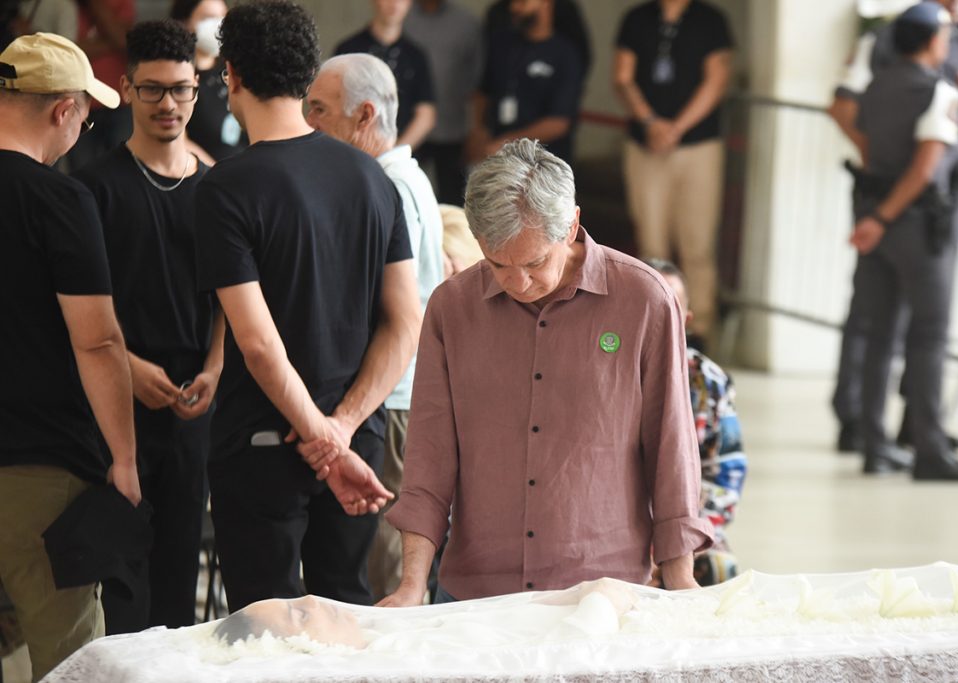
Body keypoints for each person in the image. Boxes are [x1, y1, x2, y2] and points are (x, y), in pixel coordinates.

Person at [379, 139, 713, 607]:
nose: (517, 283)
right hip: (476, 594)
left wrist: (680, 578)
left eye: (535, 262)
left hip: (600, 591)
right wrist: (412, 586)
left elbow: (671, 446)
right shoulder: (451, 308)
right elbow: (428, 457)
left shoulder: (644, 300)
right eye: (498, 265)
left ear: (571, 226)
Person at [194, 0, 421, 612]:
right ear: (304, 76)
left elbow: (258, 343)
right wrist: (341, 430)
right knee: (344, 613)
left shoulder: (225, 188)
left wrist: (321, 434)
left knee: (265, 626)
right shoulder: (373, 179)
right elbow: (406, 322)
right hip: (358, 440)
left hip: (264, 443)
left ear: (231, 75)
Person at [72, 19, 223, 634]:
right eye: (153, 89)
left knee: (180, 577)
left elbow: (232, 299)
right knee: (122, 585)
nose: (168, 103)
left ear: (197, 91)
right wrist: (126, 367)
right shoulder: (92, 189)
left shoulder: (216, 190)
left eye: (180, 89)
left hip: (194, 402)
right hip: (116, 401)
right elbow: (77, 308)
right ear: (127, 89)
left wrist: (216, 367)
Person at [0, 32, 141, 680]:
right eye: (86, 118)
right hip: (41, 468)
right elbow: (98, 340)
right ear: (63, 110)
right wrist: (125, 458)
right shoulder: (58, 199)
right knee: (71, 661)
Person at [828, 0, 958, 455]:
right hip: (910, 209)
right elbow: (922, 165)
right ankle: (919, 439)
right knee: (921, 328)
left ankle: (883, 435)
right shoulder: (905, 60)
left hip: (900, 203)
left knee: (883, 326)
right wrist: (887, 186)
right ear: (931, 40)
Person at [306, 53, 445, 601]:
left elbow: (389, 311)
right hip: (389, 395)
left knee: (385, 572)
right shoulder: (395, 179)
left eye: (320, 109)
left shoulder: (389, 187)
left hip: (390, 397)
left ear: (364, 115)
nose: (308, 122)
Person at [613, 0, 733, 352]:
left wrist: (676, 128)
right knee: (651, 245)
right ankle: (651, 331)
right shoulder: (636, 18)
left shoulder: (711, 20)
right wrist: (651, 123)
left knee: (698, 245)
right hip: (645, 146)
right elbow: (622, 78)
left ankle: (700, 335)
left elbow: (717, 80)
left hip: (698, 146)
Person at [645, 259, 746, 587]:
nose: (657, 321)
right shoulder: (601, 370)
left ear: (686, 320)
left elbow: (725, 474)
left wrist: (684, 542)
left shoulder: (708, 381)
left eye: (669, 310)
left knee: (719, 568)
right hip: (612, 531)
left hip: (686, 524)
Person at [213, 578, 637, 647]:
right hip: (596, 622)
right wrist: (600, 600)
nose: (312, 600)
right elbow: (561, 654)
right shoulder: (400, 660)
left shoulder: (385, 638)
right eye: (299, 616)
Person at [469, 0, 583, 166]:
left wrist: (507, 143)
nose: (514, 7)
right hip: (499, 158)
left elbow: (559, 121)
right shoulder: (501, 44)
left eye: (522, 2)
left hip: (544, 162)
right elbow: (483, 91)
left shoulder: (566, 55)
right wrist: (479, 130)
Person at [404, 0, 482, 206]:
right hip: (411, 128)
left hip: (452, 127)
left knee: (453, 198)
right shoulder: (404, 17)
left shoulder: (466, 23)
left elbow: (478, 83)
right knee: (408, 195)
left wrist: (475, 129)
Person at [333, 0, 435, 151]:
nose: (394, 4)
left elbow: (425, 115)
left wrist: (394, 153)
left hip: (399, 151)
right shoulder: (348, 50)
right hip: (353, 150)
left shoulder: (416, 56)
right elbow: (333, 104)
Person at [170, 0, 246, 164]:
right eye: (208, 18)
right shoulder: (174, 79)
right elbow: (178, 139)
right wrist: (217, 173)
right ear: (184, 23)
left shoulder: (234, 70)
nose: (218, 25)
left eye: (223, 17)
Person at [66, 0, 135, 169]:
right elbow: (65, 53)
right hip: (75, 103)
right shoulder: (63, 6)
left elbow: (124, 40)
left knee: (124, 170)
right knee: (82, 174)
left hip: (120, 102)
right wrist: (113, 40)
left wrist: (95, 5)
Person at [484, 0, 590, 80]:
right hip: (505, 91)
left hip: (551, 90)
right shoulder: (498, 12)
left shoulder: (564, 10)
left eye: (522, 2)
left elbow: (580, 59)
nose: (515, 8)